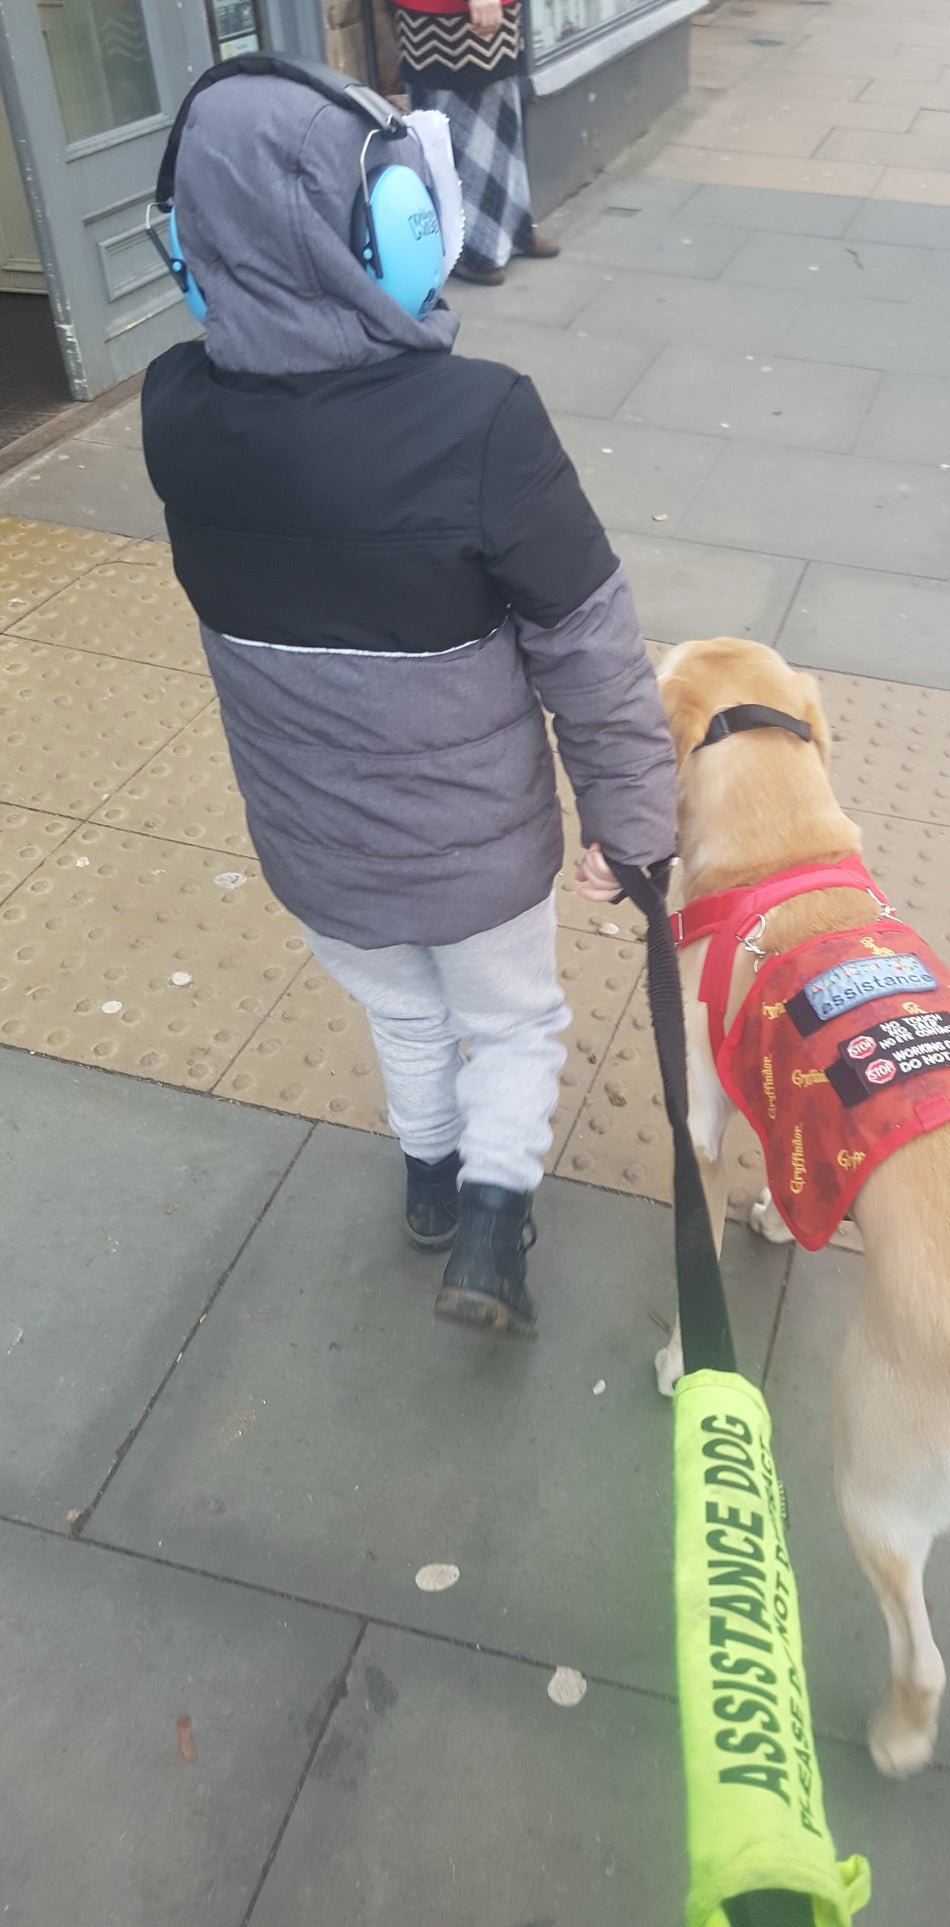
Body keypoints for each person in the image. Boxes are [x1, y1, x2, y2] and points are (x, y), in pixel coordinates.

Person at [141, 65, 674, 1336]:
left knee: (402, 1012)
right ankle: (493, 1218)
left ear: (187, 246)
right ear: (389, 230)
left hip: (316, 852)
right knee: (515, 1018)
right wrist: (632, 816)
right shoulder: (478, 421)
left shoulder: (173, 412)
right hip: (475, 854)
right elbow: (588, 646)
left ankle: (427, 1182)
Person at [391, 0, 556, 286]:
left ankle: (513, 233)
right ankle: (473, 251)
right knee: (453, 123)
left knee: (499, 120)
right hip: (446, 10)